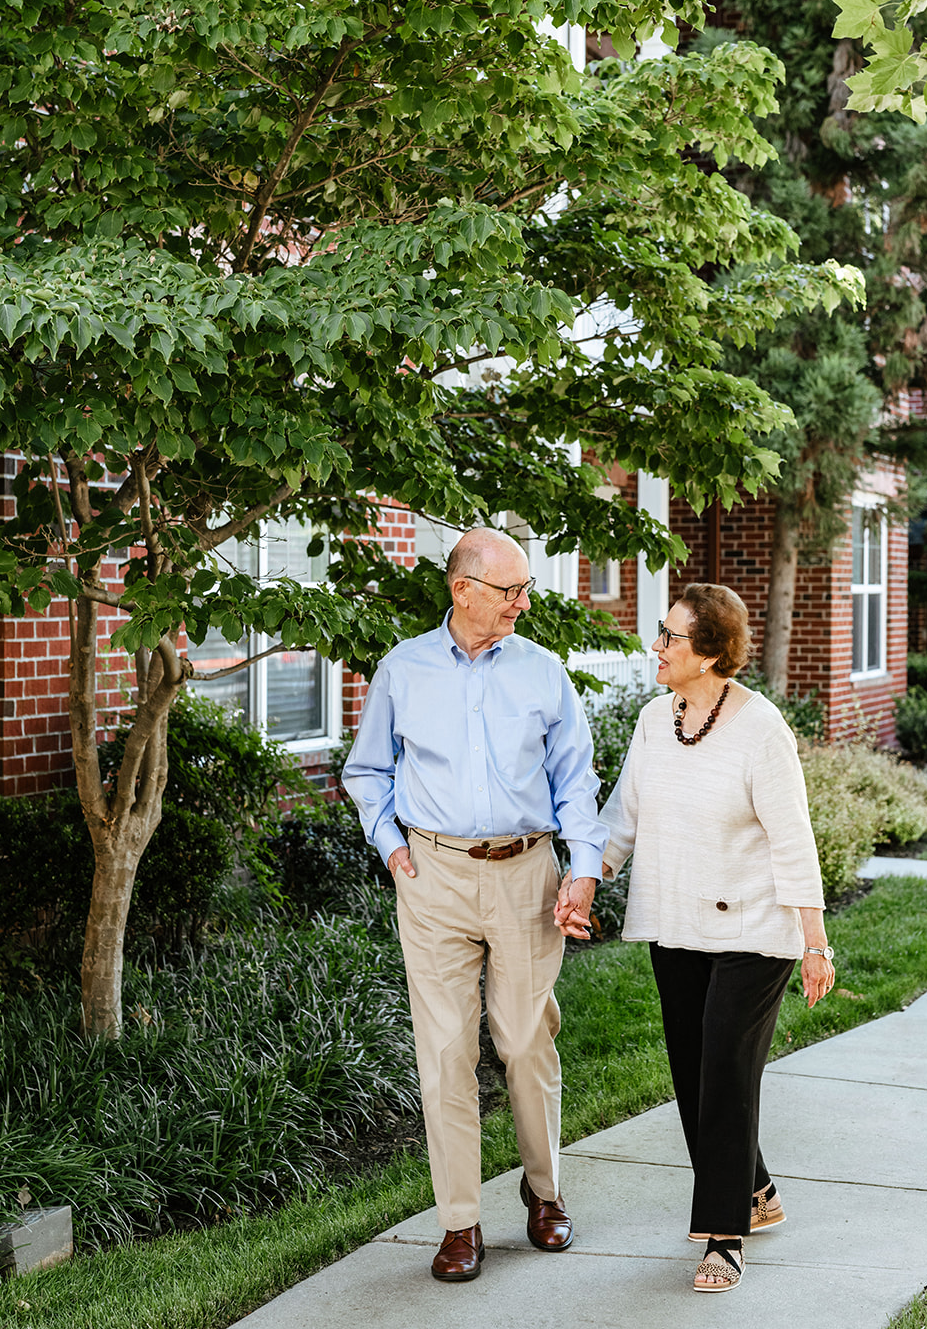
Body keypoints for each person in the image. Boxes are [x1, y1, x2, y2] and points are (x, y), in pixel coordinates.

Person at [343, 526, 606, 1282]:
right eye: (509, 591)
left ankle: (543, 1189)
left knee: (524, 1041)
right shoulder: (403, 669)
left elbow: (575, 781)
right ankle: (459, 1223)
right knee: (445, 1053)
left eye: (525, 589)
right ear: (462, 590)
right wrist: (389, 844)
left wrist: (581, 868)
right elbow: (367, 771)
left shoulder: (542, 672)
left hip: (527, 873)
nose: (522, 603)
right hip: (432, 876)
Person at [559, 583, 834, 1295]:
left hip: (753, 928)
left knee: (724, 1073)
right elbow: (623, 816)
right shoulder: (657, 720)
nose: (656, 646)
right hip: (677, 921)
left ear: (710, 653)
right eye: (660, 633)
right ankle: (758, 1191)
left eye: (671, 637)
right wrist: (589, 879)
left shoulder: (759, 728)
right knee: (693, 1073)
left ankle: (723, 1236)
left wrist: (813, 939)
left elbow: (791, 836)